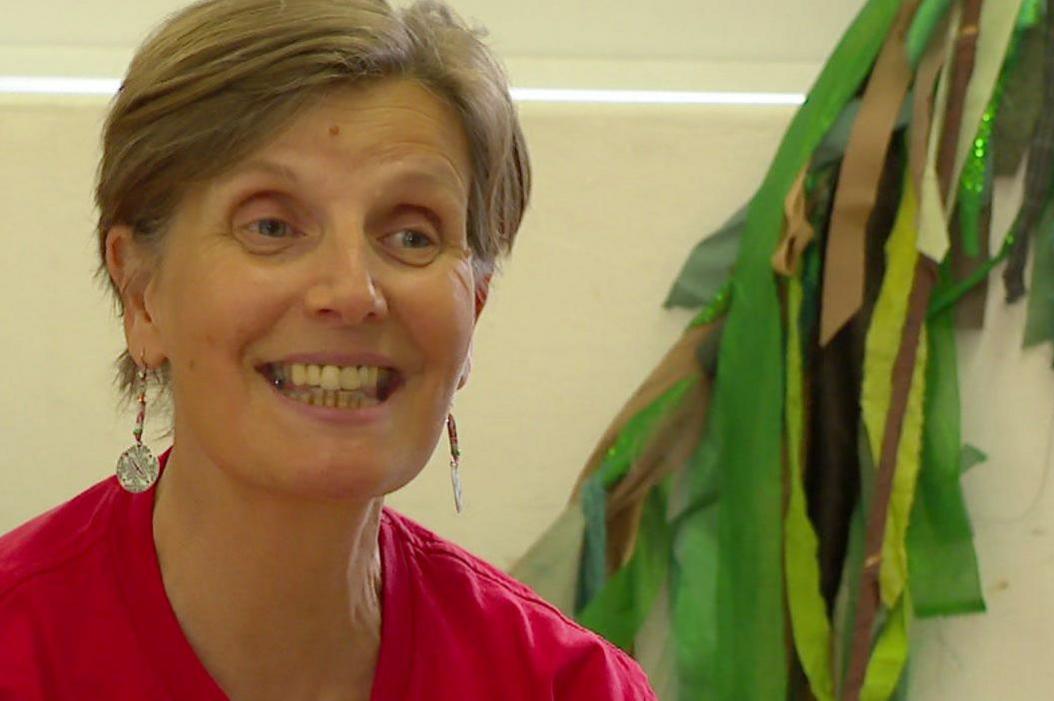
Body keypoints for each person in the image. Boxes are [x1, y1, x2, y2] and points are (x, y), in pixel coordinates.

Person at [0, 1, 656, 699]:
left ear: (476, 304)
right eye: (272, 224)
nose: (353, 291)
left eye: (412, 235)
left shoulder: (568, 684)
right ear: (142, 293)